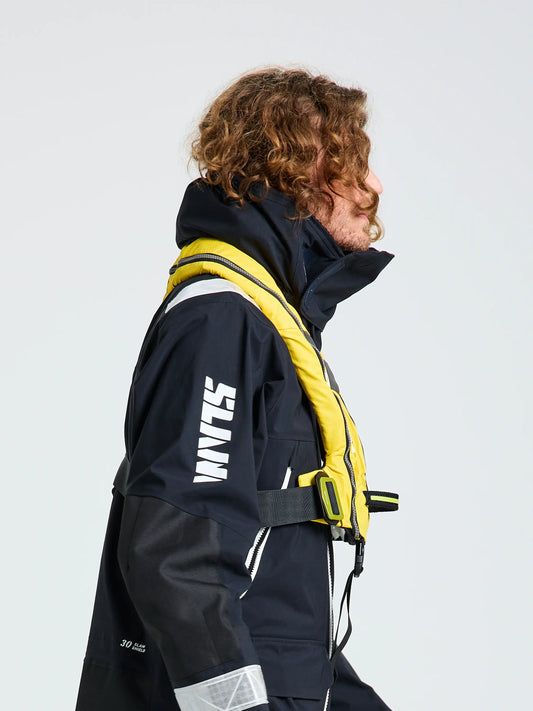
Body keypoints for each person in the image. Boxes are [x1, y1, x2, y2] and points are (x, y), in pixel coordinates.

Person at [75, 67, 396, 711]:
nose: (374, 186)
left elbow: (274, 606)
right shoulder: (222, 321)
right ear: (292, 173)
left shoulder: (269, 322)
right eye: (351, 165)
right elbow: (176, 561)